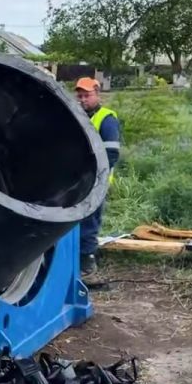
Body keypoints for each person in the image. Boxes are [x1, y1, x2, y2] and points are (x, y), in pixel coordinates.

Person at [74, 77, 121, 277]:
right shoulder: (77, 116)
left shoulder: (106, 119)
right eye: (80, 96)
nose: (83, 100)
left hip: (96, 181)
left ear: (97, 94)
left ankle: (87, 263)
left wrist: (92, 175)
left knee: (89, 221)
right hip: (78, 181)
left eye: (87, 95)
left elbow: (111, 154)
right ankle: (76, 260)